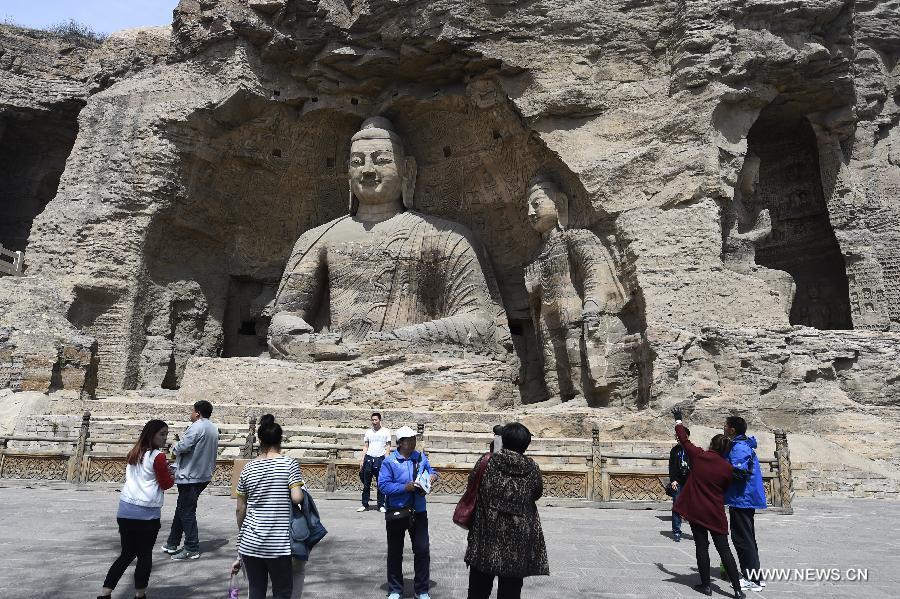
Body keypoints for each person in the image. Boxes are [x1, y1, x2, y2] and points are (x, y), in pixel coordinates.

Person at [465, 423, 549, 599]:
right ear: (526, 444)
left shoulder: (486, 461)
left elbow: (472, 484)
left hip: (485, 538)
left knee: (477, 592)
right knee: (510, 593)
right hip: (517, 545)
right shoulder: (532, 468)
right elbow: (537, 493)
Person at [671, 408, 745, 599]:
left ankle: (706, 586)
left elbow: (684, 440)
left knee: (701, 547)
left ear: (712, 445)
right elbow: (727, 488)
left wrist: (679, 420)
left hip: (697, 511)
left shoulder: (699, 456)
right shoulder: (727, 468)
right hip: (715, 513)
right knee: (724, 549)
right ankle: (737, 589)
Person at [98, 420, 174, 599]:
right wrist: (172, 475)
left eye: (166, 434)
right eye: (162, 434)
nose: (165, 438)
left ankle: (106, 592)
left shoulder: (134, 453)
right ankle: (140, 594)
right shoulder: (158, 456)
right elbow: (165, 483)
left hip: (125, 510)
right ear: (151, 435)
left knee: (126, 554)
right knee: (145, 555)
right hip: (147, 513)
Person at [232, 414, 305, 599]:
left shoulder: (248, 468)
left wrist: (242, 534)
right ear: (280, 440)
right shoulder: (289, 464)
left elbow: (240, 508)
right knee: (282, 591)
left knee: (256, 591)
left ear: (259, 440)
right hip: (279, 543)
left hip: (251, 542)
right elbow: (297, 498)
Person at [377, 425, 438, 599]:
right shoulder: (389, 462)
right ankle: (395, 589)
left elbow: (432, 471)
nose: (413, 443)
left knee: (422, 550)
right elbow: (383, 486)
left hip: (418, 511)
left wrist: (433, 476)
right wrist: (406, 487)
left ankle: (422, 589)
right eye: (409, 440)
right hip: (398, 511)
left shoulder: (420, 457)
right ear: (400, 443)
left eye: (414, 439)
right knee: (395, 552)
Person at [162, 400, 220, 560]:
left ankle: (191, 546)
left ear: (198, 413)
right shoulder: (213, 428)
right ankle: (172, 542)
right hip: (203, 474)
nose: (191, 414)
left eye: (192, 411)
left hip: (191, 475)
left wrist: (174, 446)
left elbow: (184, 446)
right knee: (182, 507)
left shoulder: (197, 426)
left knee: (186, 510)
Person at [724, 416, 767, 592]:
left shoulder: (740, 447)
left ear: (733, 429)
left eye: (725, 426)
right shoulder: (742, 445)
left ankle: (752, 580)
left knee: (742, 539)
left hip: (742, 498)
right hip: (742, 498)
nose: (724, 428)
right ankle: (755, 576)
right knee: (747, 538)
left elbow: (739, 473)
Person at [358, 412, 391, 513]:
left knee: (380, 483)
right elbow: (366, 446)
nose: (374, 422)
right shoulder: (368, 432)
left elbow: (388, 447)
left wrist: (387, 461)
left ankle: (381, 505)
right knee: (366, 483)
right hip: (369, 458)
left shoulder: (386, 431)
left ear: (380, 420)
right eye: (372, 420)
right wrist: (362, 459)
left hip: (380, 459)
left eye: (376, 420)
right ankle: (365, 504)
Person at [668, 426, 691, 542]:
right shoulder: (675, 450)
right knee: (676, 505)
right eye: (676, 435)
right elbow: (671, 467)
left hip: (690, 483)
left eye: (679, 435)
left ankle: (698, 531)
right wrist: (673, 480)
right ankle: (676, 531)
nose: (677, 437)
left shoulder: (691, 449)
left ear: (686, 436)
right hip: (678, 483)